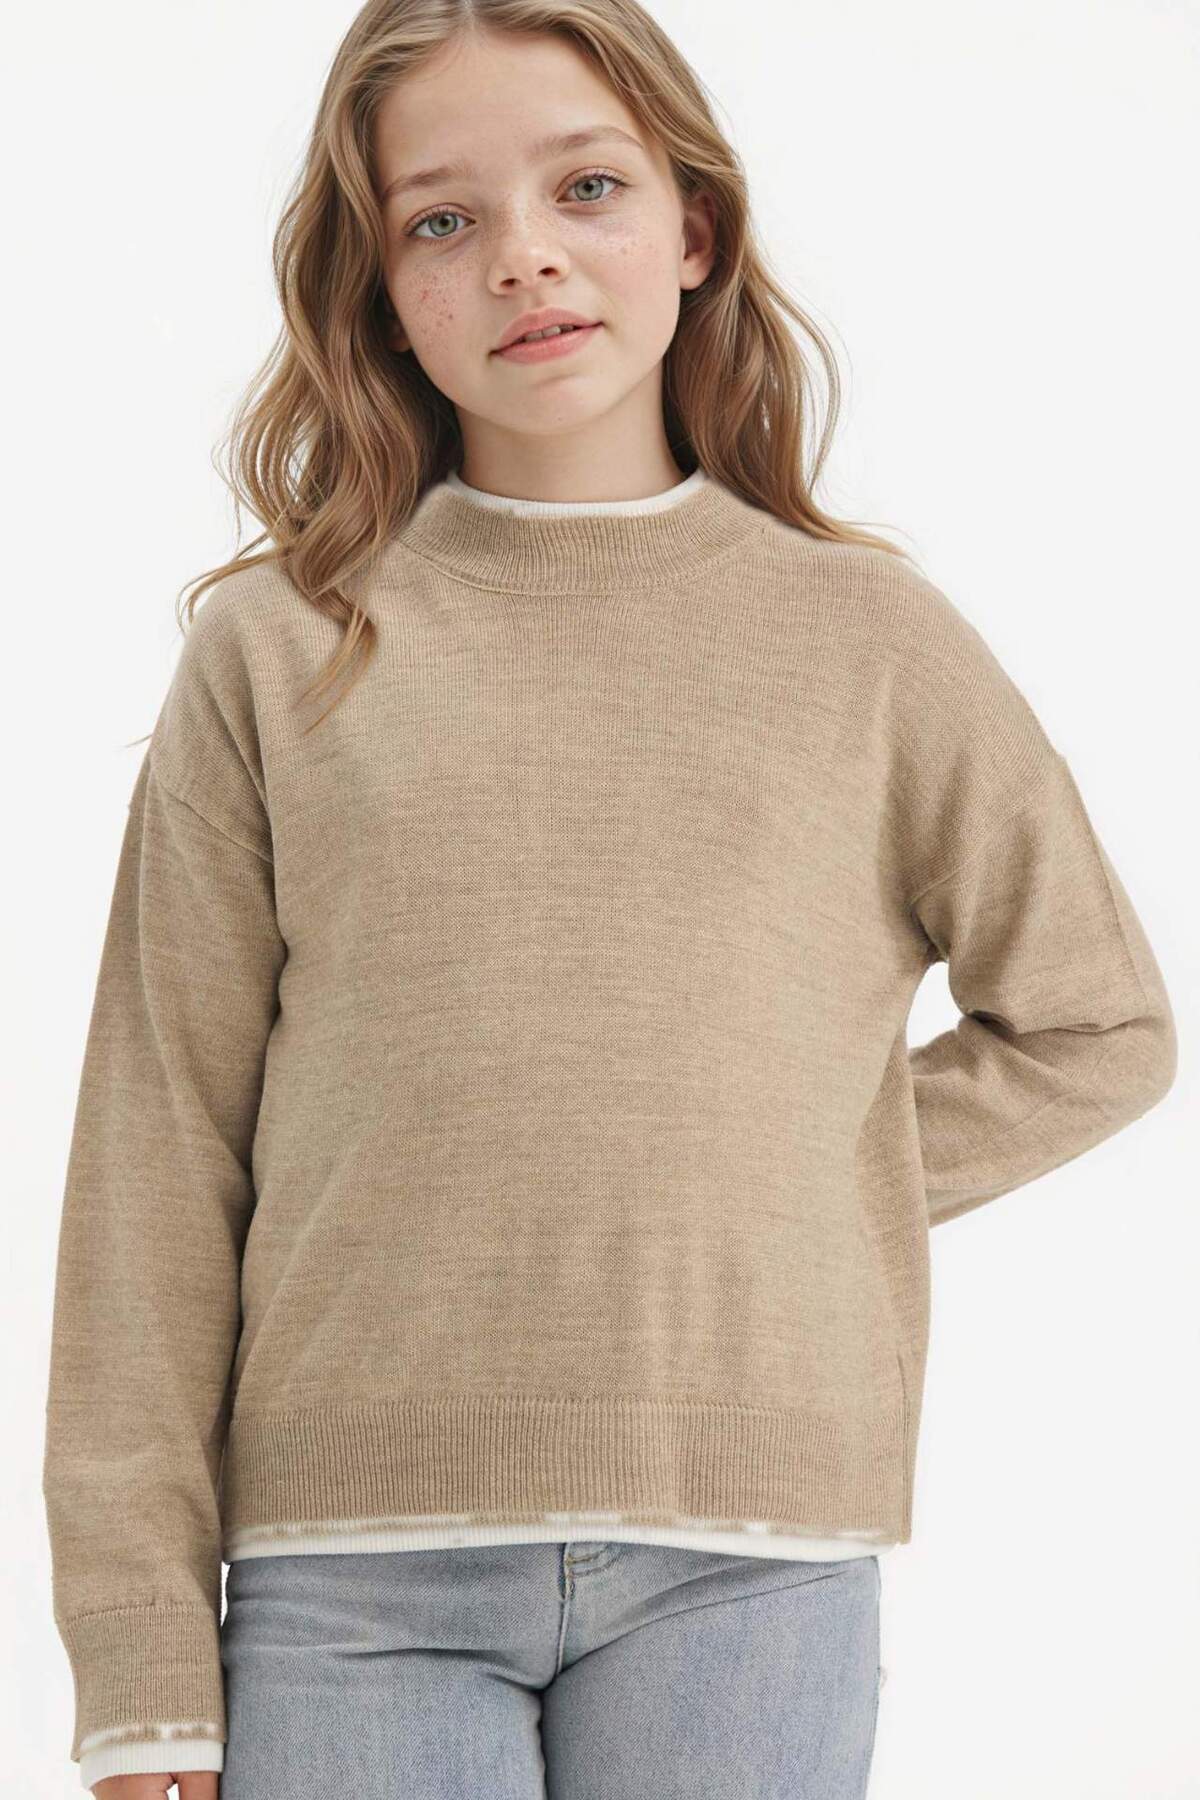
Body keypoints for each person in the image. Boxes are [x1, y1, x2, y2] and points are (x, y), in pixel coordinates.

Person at [41, 1, 1178, 1795]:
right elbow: (156, 1158)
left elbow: (1096, 1026)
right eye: (441, 219)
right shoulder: (277, 649)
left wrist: (783, 1176)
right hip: (348, 1575)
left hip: (750, 1561)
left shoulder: (871, 642)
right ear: (380, 290)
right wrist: (138, 1656)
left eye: (587, 186)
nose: (524, 257)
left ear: (695, 228)